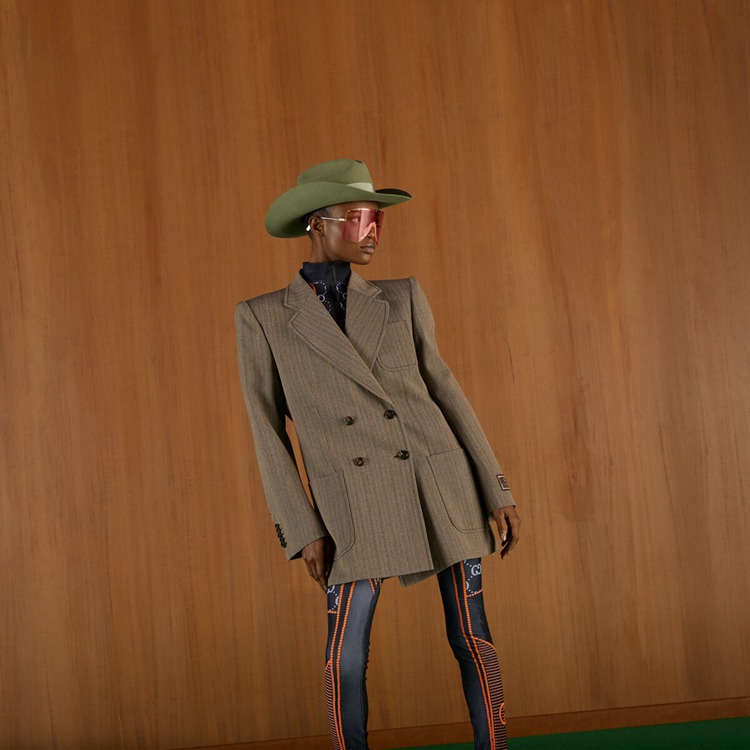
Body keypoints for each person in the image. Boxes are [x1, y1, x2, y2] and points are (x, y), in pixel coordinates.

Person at [235, 158, 521, 750]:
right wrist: (302, 528)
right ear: (317, 222)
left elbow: (446, 391)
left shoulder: (401, 296)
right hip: (352, 504)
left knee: (472, 635)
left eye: (378, 220)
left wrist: (496, 487)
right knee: (345, 654)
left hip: (437, 485)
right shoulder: (263, 318)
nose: (372, 231)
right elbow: (267, 430)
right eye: (359, 216)